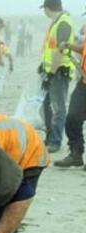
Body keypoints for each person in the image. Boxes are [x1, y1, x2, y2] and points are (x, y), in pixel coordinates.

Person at [39, 0, 75, 153]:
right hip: (50, 70)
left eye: (44, 9)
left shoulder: (63, 24)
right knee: (46, 106)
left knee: (58, 108)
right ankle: (49, 137)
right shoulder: (56, 22)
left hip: (59, 73)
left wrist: (50, 75)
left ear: (48, 8)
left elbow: (60, 51)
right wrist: (44, 67)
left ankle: (55, 141)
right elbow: (50, 49)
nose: (44, 12)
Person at [54, 35, 86, 168]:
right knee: (72, 118)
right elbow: (83, 48)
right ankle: (75, 153)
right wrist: (70, 46)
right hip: (83, 83)